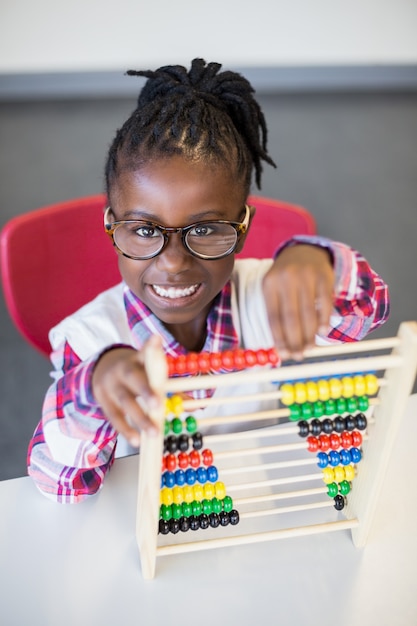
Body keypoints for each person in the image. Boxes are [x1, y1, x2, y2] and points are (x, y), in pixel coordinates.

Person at [27, 58, 390, 503]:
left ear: (243, 224)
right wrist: (91, 390)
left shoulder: (267, 297)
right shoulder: (88, 343)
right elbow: (57, 484)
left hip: (250, 515)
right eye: (144, 231)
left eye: (204, 229)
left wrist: (316, 259)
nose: (175, 262)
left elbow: (363, 312)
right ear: (111, 225)